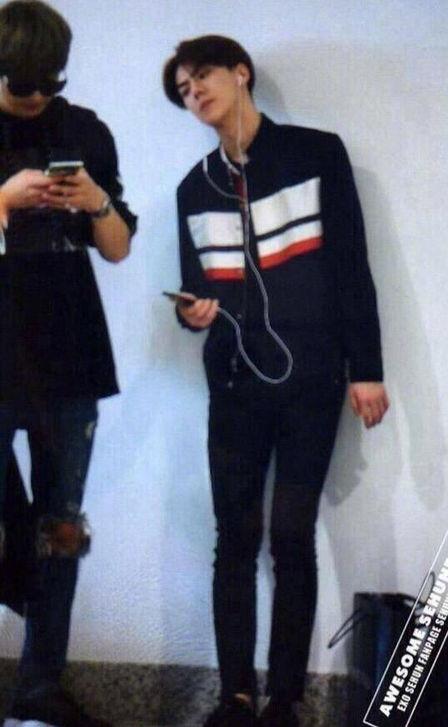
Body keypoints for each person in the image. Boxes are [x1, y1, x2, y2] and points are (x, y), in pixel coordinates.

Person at [163, 35, 389, 727]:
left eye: (202, 76)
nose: (194, 93)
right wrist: (192, 314)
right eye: (182, 90)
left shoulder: (316, 154)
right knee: (234, 538)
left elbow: (350, 265)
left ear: (241, 72)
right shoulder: (193, 188)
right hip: (236, 386)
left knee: (291, 536)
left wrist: (367, 369)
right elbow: (198, 293)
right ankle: (234, 695)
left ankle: (285, 699)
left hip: (313, 380)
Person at [0, 1, 137, 725]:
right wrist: (3, 199)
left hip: (69, 353)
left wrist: (96, 201)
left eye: (48, 83)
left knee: (61, 524)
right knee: (28, 535)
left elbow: (117, 248)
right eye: (21, 84)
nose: (35, 97)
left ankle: (40, 690)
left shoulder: (84, 130)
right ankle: (21, 583)